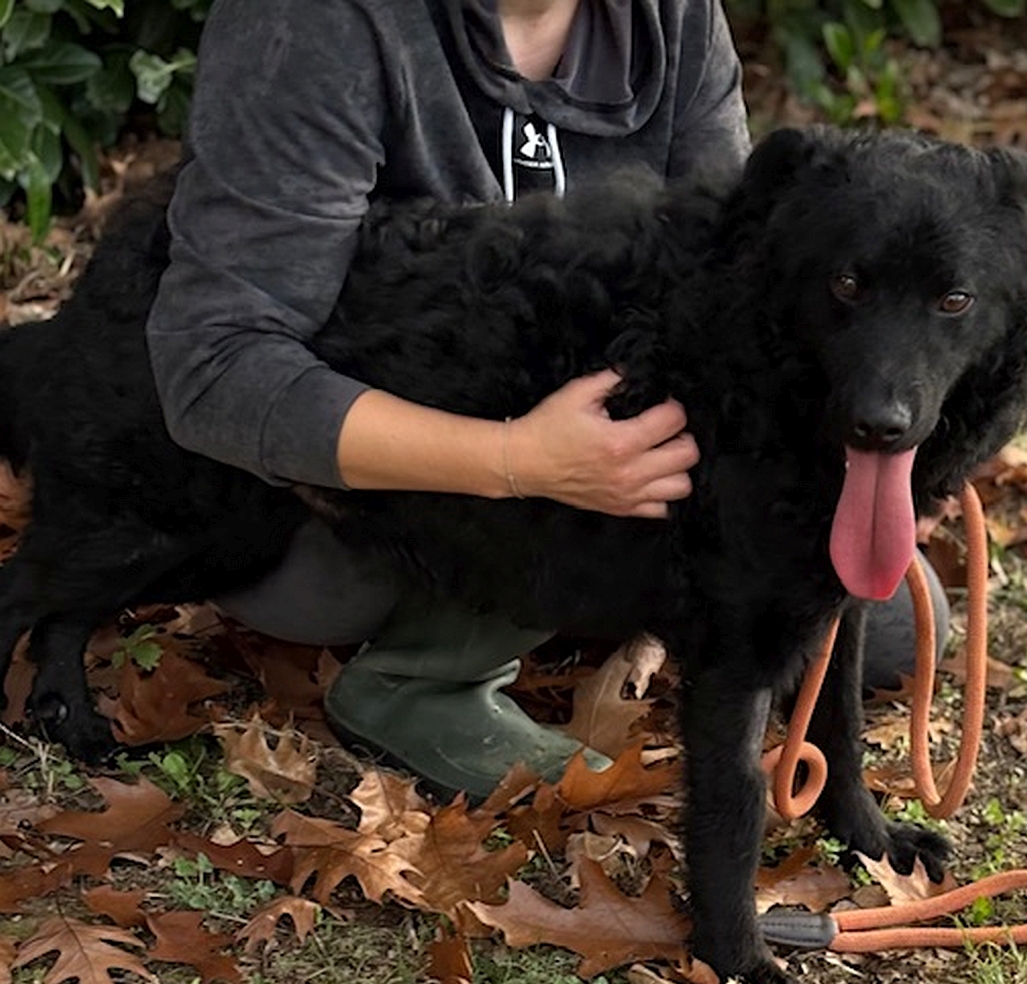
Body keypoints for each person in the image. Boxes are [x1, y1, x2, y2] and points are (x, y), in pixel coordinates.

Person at [146, 0, 943, 800]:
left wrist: (880, 424)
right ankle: (424, 680)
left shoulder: (674, 16)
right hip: (349, 501)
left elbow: (736, 278)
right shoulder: (306, 22)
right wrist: (514, 462)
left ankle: (583, 603)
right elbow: (215, 369)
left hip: (599, 456)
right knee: (332, 587)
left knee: (892, 613)